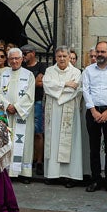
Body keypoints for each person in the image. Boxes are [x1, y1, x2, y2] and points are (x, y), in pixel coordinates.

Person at [81, 40, 107, 193]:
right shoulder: (88, 70)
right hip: (92, 111)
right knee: (94, 147)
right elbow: (86, 90)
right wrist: (93, 111)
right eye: (98, 52)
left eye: (103, 52)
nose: (99, 54)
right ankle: (95, 179)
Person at [42, 47, 86, 186]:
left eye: (64, 56)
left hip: (69, 111)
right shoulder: (49, 71)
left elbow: (75, 90)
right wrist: (65, 84)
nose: (62, 58)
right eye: (59, 56)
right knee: (53, 140)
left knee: (71, 143)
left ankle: (70, 175)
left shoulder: (76, 72)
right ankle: (52, 174)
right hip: (53, 111)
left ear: (69, 57)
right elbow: (46, 86)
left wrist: (58, 92)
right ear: (55, 57)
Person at [0, 46, 35, 178]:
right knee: (7, 142)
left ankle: (23, 172)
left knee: (24, 142)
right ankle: (8, 171)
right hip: (7, 114)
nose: (14, 61)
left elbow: (29, 95)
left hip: (22, 114)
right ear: (8, 60)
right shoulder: (4, 74)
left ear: (22, 59)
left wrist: (16, 107)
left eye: (17, 58)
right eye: (12, 59)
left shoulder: (28, 75)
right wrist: (7, 105)